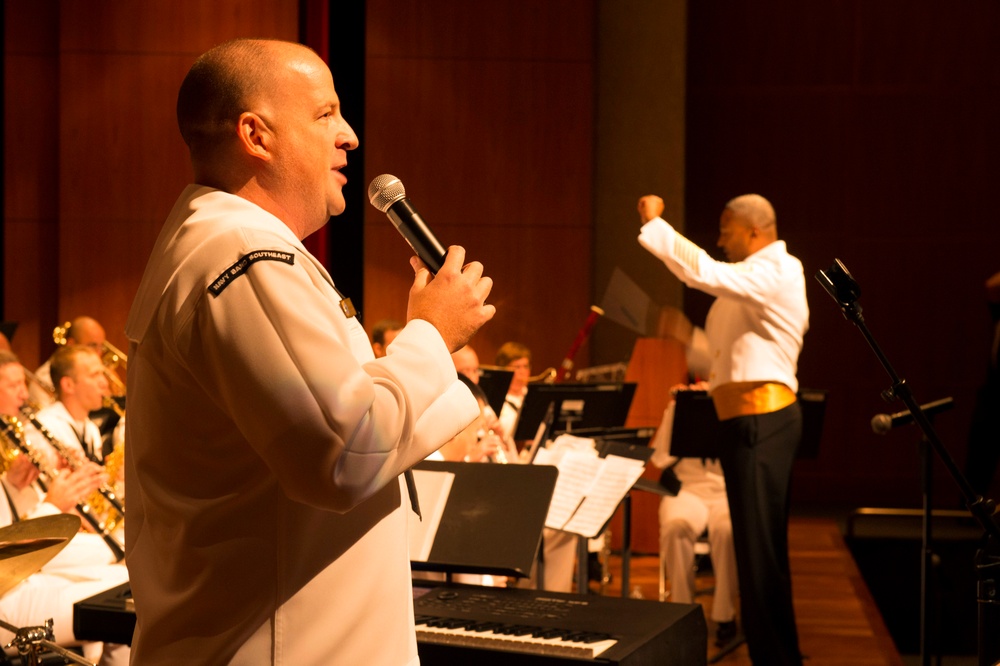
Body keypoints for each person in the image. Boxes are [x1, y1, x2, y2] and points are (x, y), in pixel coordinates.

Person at [124, 38, 494, 666]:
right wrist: (430, 335)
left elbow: (333, 432)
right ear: (255, 135)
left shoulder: (227, 244)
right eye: (325, 114)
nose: (349, 135)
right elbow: (343, 454)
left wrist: (432, 354)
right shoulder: (240, 253)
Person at [636, 193, 809, 665]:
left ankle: (777, 658)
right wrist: (688, 340)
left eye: (726, 229)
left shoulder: (778, 270)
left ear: (755, 231)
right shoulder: (749, 285)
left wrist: (657, 225)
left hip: (762, 419)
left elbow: (706, 272)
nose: (719, 239)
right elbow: (728, 359)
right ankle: (776, 655)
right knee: (757, 557)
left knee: (760, 558)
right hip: (742, 421)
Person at [0, 350, 129, 665]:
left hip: (23, 580)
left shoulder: (9, 439)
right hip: (8, 596)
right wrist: (52, 506)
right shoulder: (41, 426)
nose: (25, 392)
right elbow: (10, 548)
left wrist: (14, 486)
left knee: (129, 587)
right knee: (126, 594)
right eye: (13, 384)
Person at [649, 388, 739, 647]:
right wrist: (682, 411)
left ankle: (725, 614)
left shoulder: (735, 403)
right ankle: (682, 612)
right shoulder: (680, 406)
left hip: (726, 490)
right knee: (676, 527)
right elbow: (660, 458)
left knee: (728, 530)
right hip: (688, 489)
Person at [963, 270, 1000, 498]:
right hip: (994, 390)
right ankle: (970, 508)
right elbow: (992, 284)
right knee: (980, 452)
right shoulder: (999, 311)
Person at [30, 316, 108, 410]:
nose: (98, 353)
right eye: (92, 345)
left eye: (101, 347)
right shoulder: (44, 378)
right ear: (71, 344)